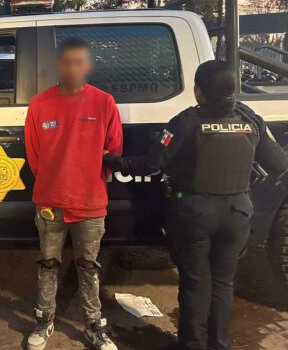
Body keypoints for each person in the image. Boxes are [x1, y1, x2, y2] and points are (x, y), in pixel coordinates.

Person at [103, 60, 288, 350]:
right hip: (237, 213)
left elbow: (151, 164)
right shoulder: (250, 119)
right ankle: (219, 344)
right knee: (223, 282)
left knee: (195, 282)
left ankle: (192, 345)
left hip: (194, 213)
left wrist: (111, 160)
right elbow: (278, 163)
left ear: (199, 91)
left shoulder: (186, 121)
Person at [24, 37, 123, 350]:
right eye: (67, 62)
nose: (73, 68)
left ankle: (94, 325)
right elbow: (34, 155)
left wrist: (86, 181)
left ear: (89, 65)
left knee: (89, 267)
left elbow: (113, 151)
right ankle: (44, 320)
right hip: (50, 202)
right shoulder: (40, 104)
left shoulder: (104, 103)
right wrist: (55, 182)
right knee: (48, 264)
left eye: (79, 62)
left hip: (91, 203)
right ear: (58, 65)